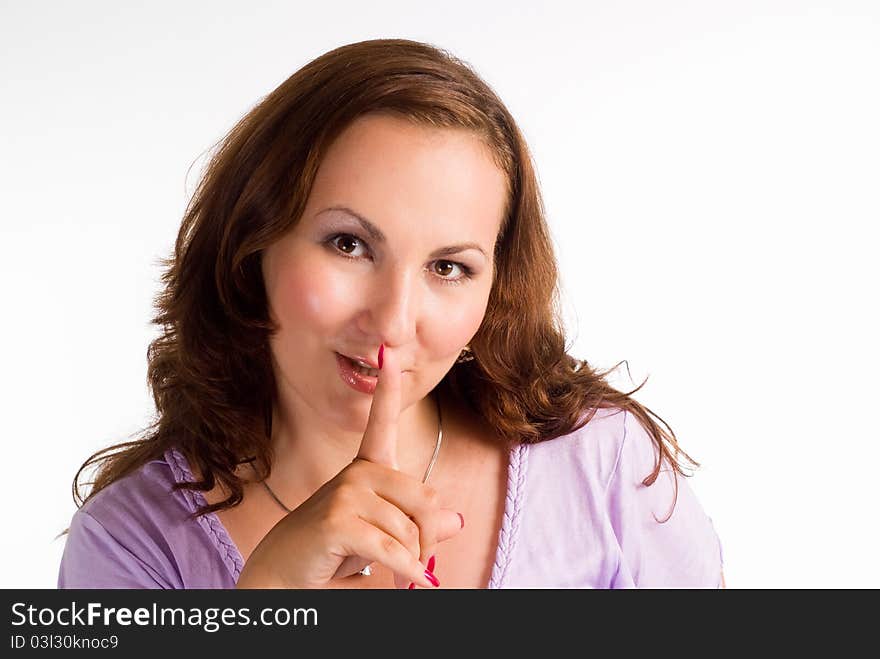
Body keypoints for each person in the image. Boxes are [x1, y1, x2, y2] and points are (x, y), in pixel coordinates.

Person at [57, 38, 724, 589]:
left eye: (448, 267)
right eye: (349, 244)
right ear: (249, 244)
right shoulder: (131, 545)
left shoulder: (601, 462)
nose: (394, 321)